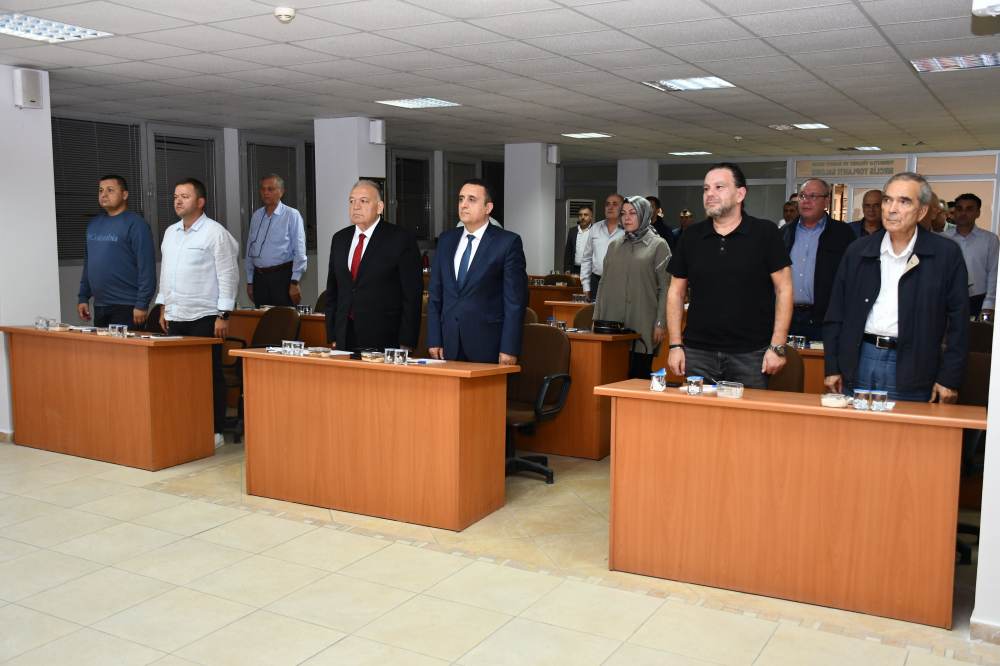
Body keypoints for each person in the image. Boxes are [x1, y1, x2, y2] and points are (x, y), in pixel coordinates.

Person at [824, 172, 968, 403]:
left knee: (904, 427)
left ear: (922, 211)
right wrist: (832, 366)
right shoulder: (858, 250)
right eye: (887, 200)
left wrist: (949, 378)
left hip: (914, 365)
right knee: (856, 426)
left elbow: (958, 322)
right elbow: (836, 312)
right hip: (860, 358)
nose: (892, 209)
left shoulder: (945, 254)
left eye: (904, 201)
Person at [666, 163, 793, 389]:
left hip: (751, 354)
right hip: (698, 353)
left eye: (719, 187)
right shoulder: (691, 236)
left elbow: (784, 289)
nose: (710, 194)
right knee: (697, 413)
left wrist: (777, 346)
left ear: (740, 194)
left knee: (749, 413)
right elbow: (676, 292)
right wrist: (675, 345)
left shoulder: (765, 233)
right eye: (706, 189)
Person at [155, 178, 239, 447]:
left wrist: (223, 315)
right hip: (176, 315)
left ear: (200, 202)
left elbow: (228, 274)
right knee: (179, 375)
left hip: (205, 316)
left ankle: (214, 430)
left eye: (185, 196)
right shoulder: (170, 232)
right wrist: (163, 306)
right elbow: (166, 273)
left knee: (208, 375)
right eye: (175, 196)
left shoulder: (215, 233)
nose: (178, 201)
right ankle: (185, 424)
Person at [427, 179, 527, 364]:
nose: (463, 205)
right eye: (461, 199)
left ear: (488, 208)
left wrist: (509, 348)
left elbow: (514, 302)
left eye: (471, 199)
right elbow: (435, 295)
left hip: (488, 344)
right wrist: (434, 339)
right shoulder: (446, 240)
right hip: (449, 342)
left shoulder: (507, 242)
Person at [324, 180, 422, 351]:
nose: (356, 207)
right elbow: (333, 290)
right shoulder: (339, 239)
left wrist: (407, 340)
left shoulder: (400, 239)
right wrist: (332, 333)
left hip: (385, 335)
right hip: (345, 333)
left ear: (379, 207)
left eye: (363, 201)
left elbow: (412, 294)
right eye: (352, 201)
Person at [595, 196, 670, 378]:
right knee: (612, 377)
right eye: (623, 213)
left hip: (642, 322)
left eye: (632, 213)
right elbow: (603, 284)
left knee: (637, 376)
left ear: (644, 215)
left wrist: (660, 323)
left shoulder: (658, 245)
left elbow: (665, 288)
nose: (626, 218)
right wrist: (596, 318)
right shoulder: (614, 245)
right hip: (613, 324)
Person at [77, 175, 156, 328]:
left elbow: (146, 267)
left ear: (124, 195)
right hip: (100, 305)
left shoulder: (136, 224)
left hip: (128, 306)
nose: (104, 194)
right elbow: (88, 265)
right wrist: (83, 297)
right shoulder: (93, 224)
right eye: (101, 190)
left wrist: (142, 304)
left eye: (110, 190)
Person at [783, 178, 855, 341]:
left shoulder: (843, 234)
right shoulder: (784, 233)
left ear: (826, 201)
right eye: (802, 196)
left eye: (813, 196)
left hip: (824, 319)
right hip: (788, 317)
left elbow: (851, 278)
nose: (806, 201)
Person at [245, 174, 307, 308]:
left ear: (281, 192)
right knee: (262, 319)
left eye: (270, 189)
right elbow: (250, 250)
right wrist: (250, 281)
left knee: (283, 318)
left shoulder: (291, 215)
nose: (266, 193)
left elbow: (299, 251)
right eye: (263, 189)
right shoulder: (256, 216)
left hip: (282, 277)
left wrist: (294, 281)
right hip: (259, 278)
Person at [944, 193, 999, 318]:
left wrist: (989, 304)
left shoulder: (990, 240)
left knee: (976, 331)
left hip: (978, 301)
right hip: (947, 299)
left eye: (969, 209)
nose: (963, 213)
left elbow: (993, 273)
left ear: (978, 213)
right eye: (959, 209)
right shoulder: (943, 238)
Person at [580, 193, 625, 301]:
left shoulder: (628, 230)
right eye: (607, 204)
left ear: (623, 208)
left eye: (615, 204)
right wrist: (586, 285)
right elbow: (587, 258)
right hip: (597, 281)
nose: (610, 207)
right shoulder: (595, 228)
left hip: (621, 282)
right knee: (595, 311)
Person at [563, 205, 593, 274]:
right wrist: (567, 269)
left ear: (591, 217)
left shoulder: (596, 231)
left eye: (586, 215)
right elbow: (568, 251)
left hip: (590, 270)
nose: (582, 217)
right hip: (574, 269)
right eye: (580, 215)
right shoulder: (572, 231)